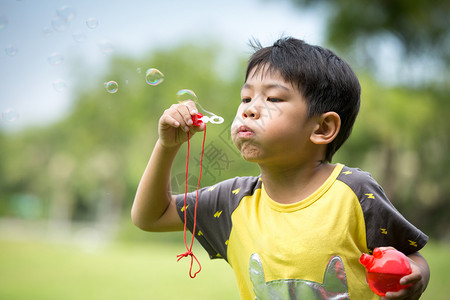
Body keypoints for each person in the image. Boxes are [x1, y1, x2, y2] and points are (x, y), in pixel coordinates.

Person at [131, 37, 430, 299]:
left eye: (273, 98)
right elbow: (150, 215)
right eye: (246, 97)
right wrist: (167, 147)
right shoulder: (232, 201)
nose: (248, 108)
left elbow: (412, 256)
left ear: (323, 127)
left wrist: (417, 277)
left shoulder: (354, 191)